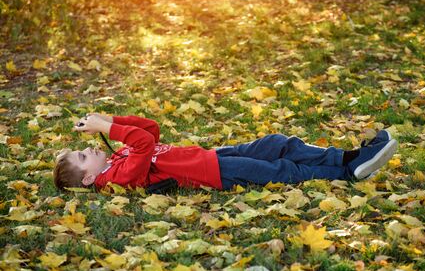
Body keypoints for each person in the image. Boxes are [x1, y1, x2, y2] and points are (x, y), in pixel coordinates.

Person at [53, 113, 398, 192]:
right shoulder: (118, 178)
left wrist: (111, 120)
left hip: (214, 155)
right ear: (88, 178)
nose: (88, 149)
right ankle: (348, 173)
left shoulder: (114, 159)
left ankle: (348, 158)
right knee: (281, 169)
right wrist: (106, 129)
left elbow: (151, 130)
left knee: (278, 142)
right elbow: (143, 144)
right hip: (215, 173)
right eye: (83, 157)